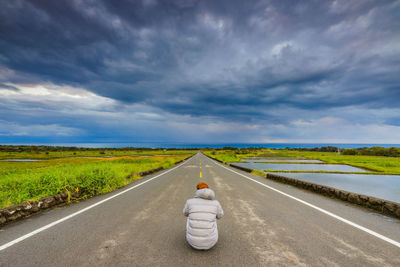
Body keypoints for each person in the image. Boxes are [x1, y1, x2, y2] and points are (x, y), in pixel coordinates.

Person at [183, 182, 224, 250]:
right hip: (211, 243)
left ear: (198, 190)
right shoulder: (216, 203)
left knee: (189, 216)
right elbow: (220, 216)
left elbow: (185, 213)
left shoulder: (189, 202)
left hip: (192, 243)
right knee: (213, 217)